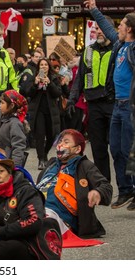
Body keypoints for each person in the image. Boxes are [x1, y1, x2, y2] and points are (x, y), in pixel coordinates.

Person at [85, 0, 135, 210]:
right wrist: (94, 9)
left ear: (130, 29)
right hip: (117, 105)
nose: (118, 28)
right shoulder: (119, 45)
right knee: (115, 149)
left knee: (129, 151)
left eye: (122, 25)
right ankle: (125, 191)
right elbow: (107, 28)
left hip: (131, 107)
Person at [36, 129, 113, 238]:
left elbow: (106, 187)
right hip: (36, 210)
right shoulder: (51, 164)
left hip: (59, 217)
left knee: (37, 225)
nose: (60, 144)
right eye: (60, 141)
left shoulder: (84, 165)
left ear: (77, 149)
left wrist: (97, 192)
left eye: (66, 142)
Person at [67, 18, 114, 183]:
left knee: (117, 147)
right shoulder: (88, 50)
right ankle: (103, 184)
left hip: (113, 103)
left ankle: (126, 187)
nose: (99, 32)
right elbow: (79, 78)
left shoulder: (117, 49)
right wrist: (72, 100)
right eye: (96, 29)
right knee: (98, 147)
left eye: (101, 28)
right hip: (93, 105)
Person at [25, 58, 62, 170]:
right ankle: (41, 159)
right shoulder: (34, 78)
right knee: (39, 136)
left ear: (49, 66)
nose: (44, 66)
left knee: (52, 135)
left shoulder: (54, 78)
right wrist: (35, 84)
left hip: (51, 111)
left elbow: (57, 93)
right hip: (38, 111)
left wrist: (49, 84)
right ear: (38, 67)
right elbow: (28, 93)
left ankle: (45, 153)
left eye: (46, 64)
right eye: (41, 65)